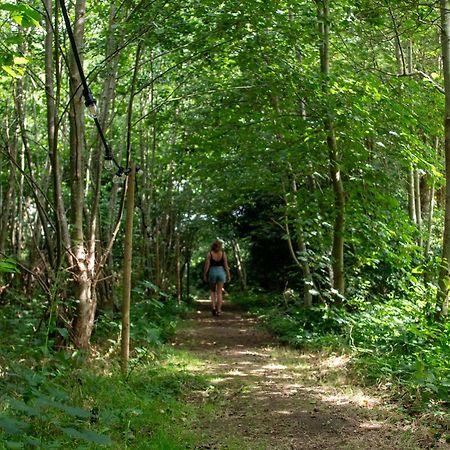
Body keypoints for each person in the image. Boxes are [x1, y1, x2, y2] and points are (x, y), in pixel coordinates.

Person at [203, 240, 231, 316]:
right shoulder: (223, 254)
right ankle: (219, 310)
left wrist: (205, 274)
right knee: (219, 293)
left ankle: (213, 308)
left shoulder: (210, 254)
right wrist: (228, 275)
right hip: (221, 272)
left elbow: (207, 266)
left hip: (212, 272)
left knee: (213, 291)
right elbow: (226, 265)